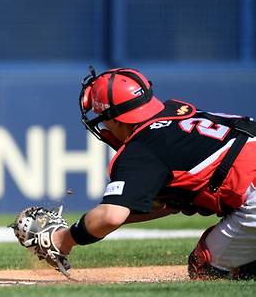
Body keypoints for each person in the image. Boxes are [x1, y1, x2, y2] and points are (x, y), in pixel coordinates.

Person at [14, 67, 256, 280]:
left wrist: (61, 240)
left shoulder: (142, 148)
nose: (103, 126)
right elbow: (163, 204)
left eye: (104, 120)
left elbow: (111, 216)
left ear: (117, 119)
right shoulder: (176, 111)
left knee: (204, 267)